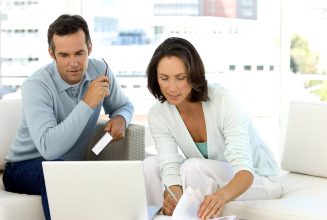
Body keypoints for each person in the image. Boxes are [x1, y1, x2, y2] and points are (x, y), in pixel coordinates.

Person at [2, 14, 134, 220]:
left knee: (90, 178)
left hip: (71, 169)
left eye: (79, 53)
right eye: (64, 55)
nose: (73, 63)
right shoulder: (36, 86)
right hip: (22, 167)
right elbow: (50, 149)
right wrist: (87, 103)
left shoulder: (100, 70)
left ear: (89, 48)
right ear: (52, 54)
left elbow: (124, 105)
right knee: (58, 175)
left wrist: (122, 118)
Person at [143, 37, 282, 219]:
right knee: (150, 165)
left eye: (180, 78)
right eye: (164, 78)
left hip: (259, 178)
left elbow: (245, 171)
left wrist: (220, 197)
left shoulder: (224, 100)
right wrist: (173, 198)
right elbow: (169, 165)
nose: (171, 87)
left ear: (193, 75)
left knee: (192, 168)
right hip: (212, 173)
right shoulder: (158, 114)